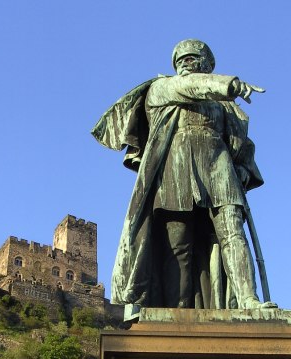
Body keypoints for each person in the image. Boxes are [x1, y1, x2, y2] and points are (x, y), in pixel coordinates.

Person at [92, 39, 276, 319]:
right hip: (174, 170)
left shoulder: (225, 108)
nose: (186, 63)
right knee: (177, 245)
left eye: (193, 58)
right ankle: (175, 313)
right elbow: (189, 87)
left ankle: (248, 300)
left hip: (219, 166)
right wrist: (229, 84)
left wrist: (242, 170)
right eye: (182, 59)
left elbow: (242, 145)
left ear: (206, 63)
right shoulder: (161, 88)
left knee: (233, 233)